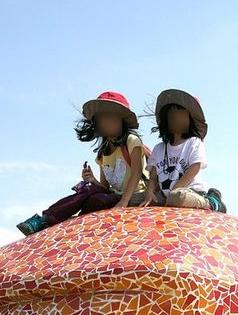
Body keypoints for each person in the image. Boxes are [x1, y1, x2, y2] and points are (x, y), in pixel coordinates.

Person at [17, 91, 148, 235]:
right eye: (103, 119)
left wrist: (123, 202)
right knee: (94, 194)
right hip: (114, 196)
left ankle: (64, 222)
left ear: (122, 120)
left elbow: (137, 172)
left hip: (134, 196)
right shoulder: (103, 153)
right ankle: (48, 220)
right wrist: (92, 180)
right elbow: (105, 187)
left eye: (113, 118)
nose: (108, 122)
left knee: (98, 199)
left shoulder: (131, 141)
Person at [143, 89, 226, 212]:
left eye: (181, 115)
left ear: (190, 120)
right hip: (165, 195)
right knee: (136, 201)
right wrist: (149, 192)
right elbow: (153, 176)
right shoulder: (158, 148)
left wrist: (176, 189)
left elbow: (194, 168)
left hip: (190, 192)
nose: (176, 119)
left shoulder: (194, 142)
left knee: (178, 197)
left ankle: (211, 202)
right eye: (172, 116)